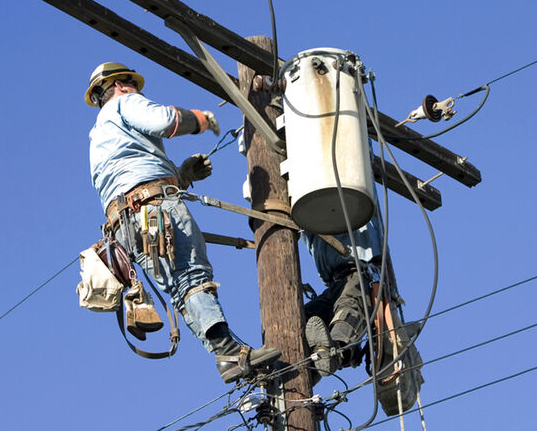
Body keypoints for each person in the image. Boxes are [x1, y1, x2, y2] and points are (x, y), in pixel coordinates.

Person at [85, 62, 280, 383]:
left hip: (127, 224)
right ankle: (229, 351)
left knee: (180, 285)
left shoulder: (98, 136)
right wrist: (202, 120)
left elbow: (133, 174)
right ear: (120, 85)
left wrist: (183, 176)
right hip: (153, 210)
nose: (139, 92)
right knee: (191, 275)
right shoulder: (124, 103)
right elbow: (164, 121)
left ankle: (227, 352)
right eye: (134, 86)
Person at [301, 209, 423, 415]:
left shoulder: (349, 189)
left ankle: (335, 352)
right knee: (305, 317)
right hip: (335, 281)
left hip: (362, 271)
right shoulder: (303, 194)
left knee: (349, 308)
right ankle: (310, 365)